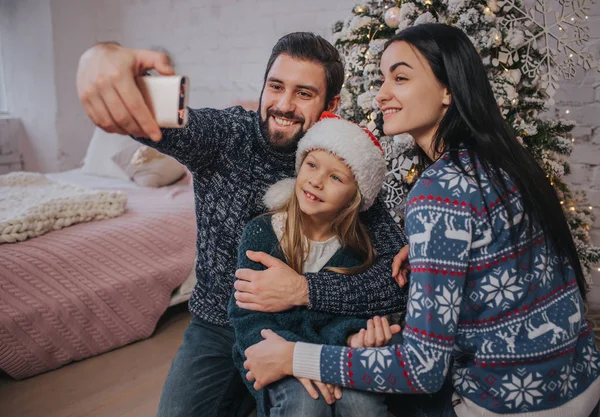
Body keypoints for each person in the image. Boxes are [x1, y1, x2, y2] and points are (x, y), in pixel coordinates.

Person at [242, 23, 600, 417]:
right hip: (580, 382)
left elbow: (422, 370)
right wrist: (431, 246)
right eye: (382, 78)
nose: (381, 94)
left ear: (448, 90)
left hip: (510, 404)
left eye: (400, 77)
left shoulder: (438, 192)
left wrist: (295, 357)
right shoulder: (501, 159)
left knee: (370, 394)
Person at [76, 32, 409, 417]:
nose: (283, 104)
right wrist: (102, 57)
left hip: (312, 328)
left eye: (303, 93)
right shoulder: (227, 135)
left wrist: (305, 291)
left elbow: (394, 280)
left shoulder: (342, 161)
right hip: (217, 327)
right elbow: (156, 120)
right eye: (276, 86)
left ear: (330, 104)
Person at [229, 111, 397, 417]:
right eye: (311, 165)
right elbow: (248, 317)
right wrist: (299, 359)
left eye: (335, 177)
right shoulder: (263, 232)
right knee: (306, 404)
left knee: (363, 405)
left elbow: (355, 315)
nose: (316, 181)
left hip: (336, 351)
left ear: (353, 198)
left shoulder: (361, 248)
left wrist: (350, 339)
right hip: (271, 349)